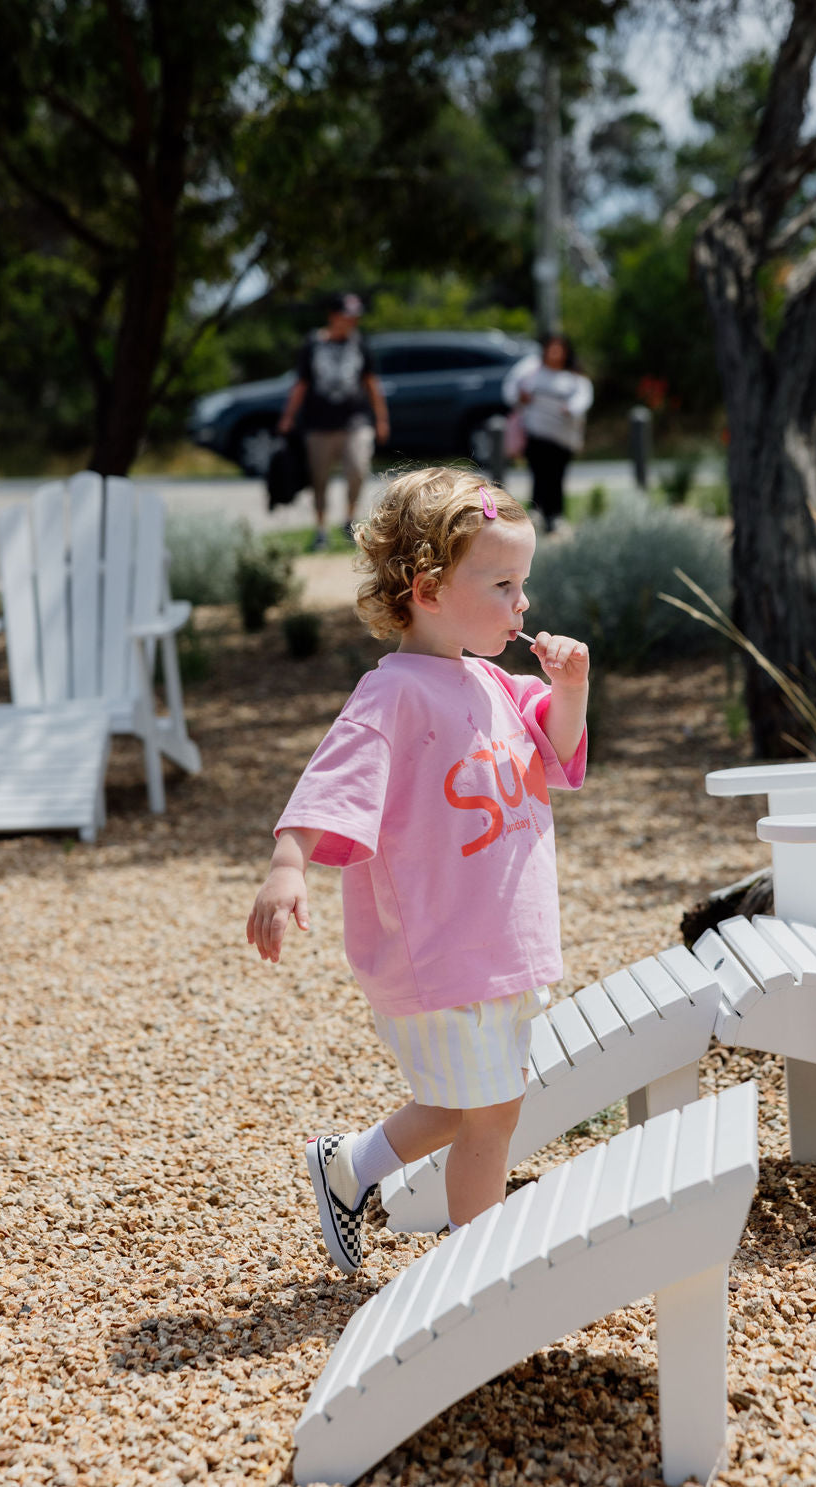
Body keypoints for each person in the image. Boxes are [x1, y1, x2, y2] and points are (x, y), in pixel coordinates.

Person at [246, 467, 589, 1273]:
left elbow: (559, 748)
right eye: (503, 584)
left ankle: (349, 1165)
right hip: (441, 952)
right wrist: (288, 861)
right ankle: (481, 1274)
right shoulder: (392, 695)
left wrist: (569, 690)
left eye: (524, 583)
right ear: (429, 588)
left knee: (458, 1102)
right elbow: (330, 782)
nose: (522, 604)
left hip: (498, 949)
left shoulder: (496, 681)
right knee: (492, 1112)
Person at [277, 291, 390, 550]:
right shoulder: (313, 344)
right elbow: (301, 384)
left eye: (354, 318)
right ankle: (320, 530)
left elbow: (372, 384)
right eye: (346, 317)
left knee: (358, 470)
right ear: (332, 316)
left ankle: (349, 520)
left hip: (355, 422)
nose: (351, 322)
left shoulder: (360, 343)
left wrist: (381, 419)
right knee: (319, 479)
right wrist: (287, 417)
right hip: (318, 424)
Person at [505, 334, 594, 534]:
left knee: (557, 477)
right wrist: (521, 397)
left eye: (559, 348)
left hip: (563, 437)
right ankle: (536, 514)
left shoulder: (575, 378)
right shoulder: (532, 370)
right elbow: (511, 389)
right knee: (538, 475)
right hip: (536, 433)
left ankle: (555, 516)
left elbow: (583, 399)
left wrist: (569, 409)